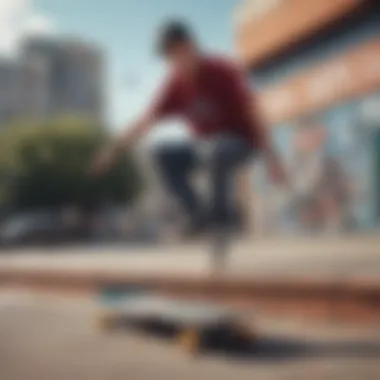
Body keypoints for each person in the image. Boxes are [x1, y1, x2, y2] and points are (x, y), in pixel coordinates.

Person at [92, 20, 287, 236]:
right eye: (170, 58)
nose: (177, 62)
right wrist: (112, 151)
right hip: (204, 148)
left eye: (179, 53)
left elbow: (253, 113)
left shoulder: (221, 71)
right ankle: (198, 214)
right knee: (161, 154)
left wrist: (272, 158)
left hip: (240, 143)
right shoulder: (175, 85)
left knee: (218, 149)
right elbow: (144, 122)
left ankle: (223, 218)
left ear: (191, 46)